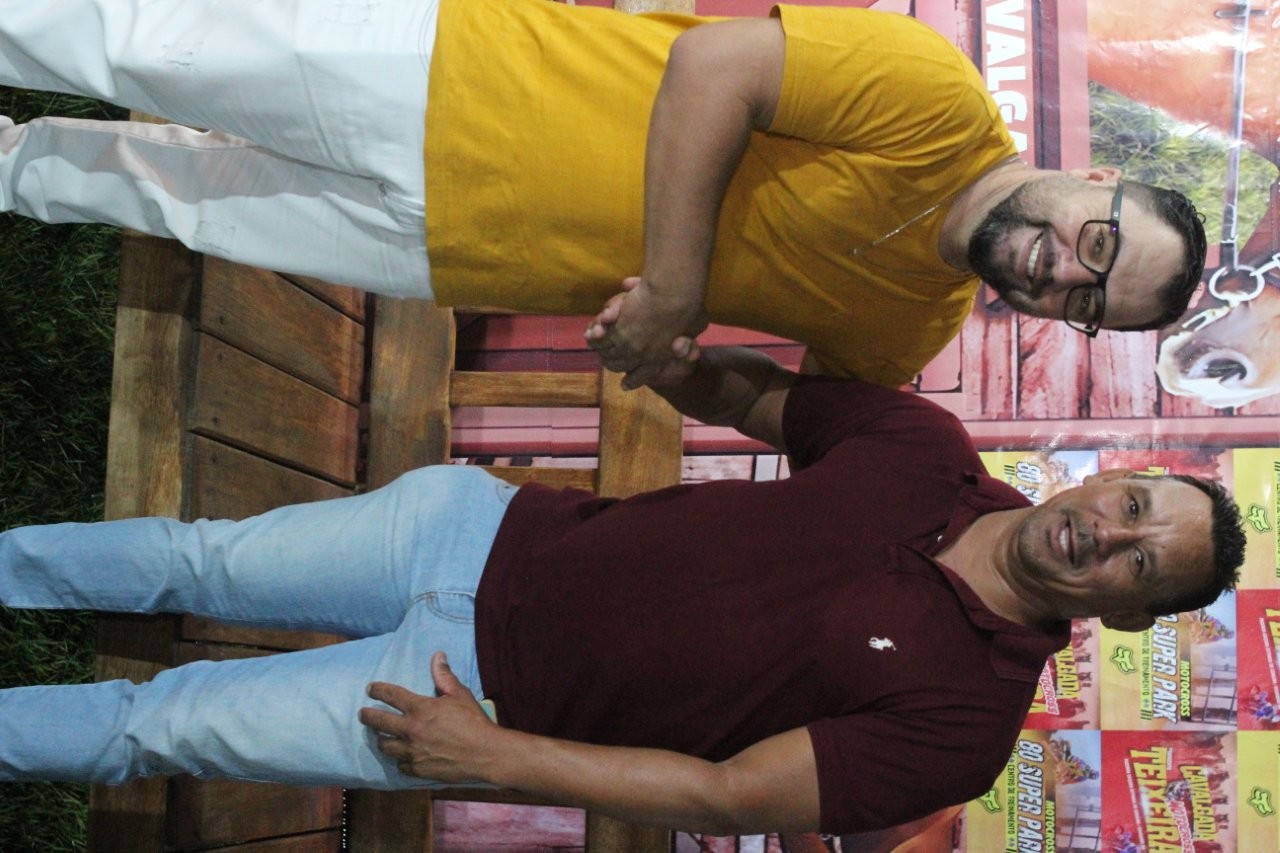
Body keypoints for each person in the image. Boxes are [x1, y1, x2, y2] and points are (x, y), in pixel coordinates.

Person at [0, 345, 1243, 838]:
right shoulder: (924, 447)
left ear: (1126, 615)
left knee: (159, 725)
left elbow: (722, 794)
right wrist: (674, 356)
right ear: (1114, 475)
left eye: (1138, 564)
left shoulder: (962, 729)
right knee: (201, 557)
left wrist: (496, 759)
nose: (1105, 536)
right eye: (1133, 505)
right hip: (471, 530)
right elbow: (755, 397)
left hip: (466, 700)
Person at [0, 0, 1206, 388]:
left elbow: (778, 410)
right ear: (1094, 176)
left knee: (174, 198)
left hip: (454, 253)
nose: (1060, 274)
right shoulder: (935, 97)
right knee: (135, 44)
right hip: (451, 83)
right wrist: (675, 288)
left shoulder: (908, 335)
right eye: (1097, 247)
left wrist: (673, 366)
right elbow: (714, 66)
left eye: (1084, 306)